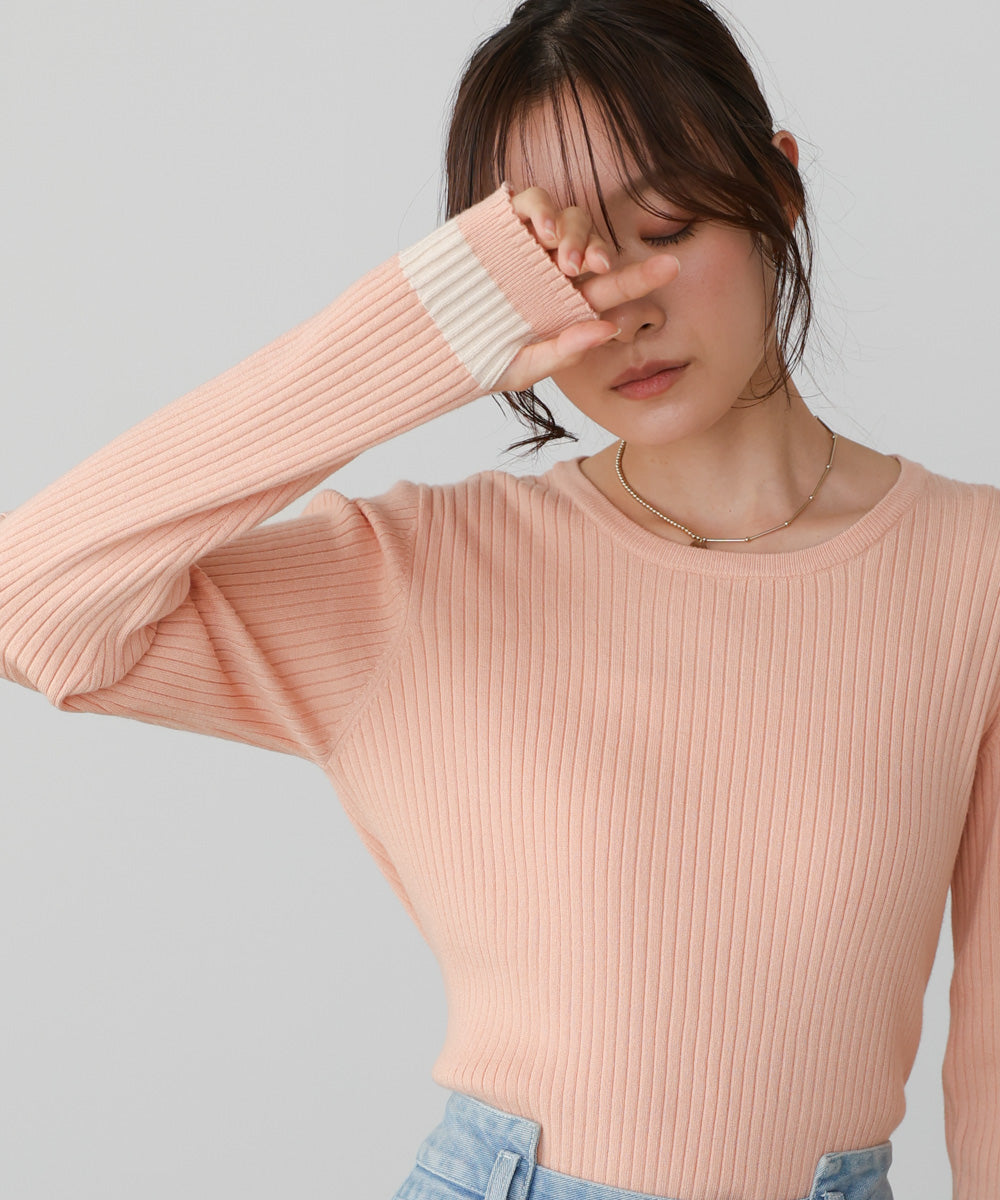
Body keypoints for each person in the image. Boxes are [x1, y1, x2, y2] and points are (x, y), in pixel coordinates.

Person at [0, 1, 997, 1198]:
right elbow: (28, 600)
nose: (619, 304)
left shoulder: (973, 570)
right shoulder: (417, 573)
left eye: (664, 224)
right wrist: (423, 331)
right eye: (557, 266)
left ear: (777, 187)